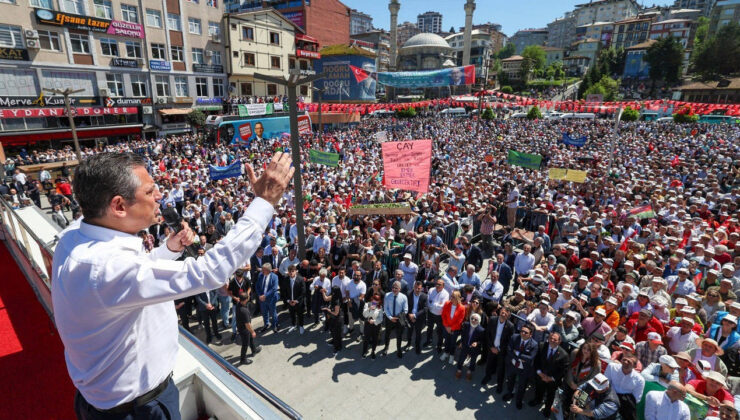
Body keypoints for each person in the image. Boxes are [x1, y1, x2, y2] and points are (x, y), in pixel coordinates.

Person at [52, 151, 292, 418]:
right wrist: (264, 202)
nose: (159, 196)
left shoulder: (75, 236)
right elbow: (209, 272)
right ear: (119, 206)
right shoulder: (107, 268)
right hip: (138, 410)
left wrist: (168, 250)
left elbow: (131, 280)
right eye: (150, 191)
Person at [529, 331, 569, 417]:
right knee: (539, 389)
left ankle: (547, 409)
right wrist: (539, 373)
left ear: (559, 341)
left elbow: (563, 371)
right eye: (550, 338)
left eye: (555, 339)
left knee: (550, 395)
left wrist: (551, 378)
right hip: (540, 375)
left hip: (552, 380)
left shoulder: (564, 355)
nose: (552, 340)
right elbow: (536, 361)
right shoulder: (542, 346)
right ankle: (537, 400)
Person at [503, 323, 539, 409]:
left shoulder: (534, 344)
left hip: (524, 369)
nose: (523, 333)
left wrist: (517, 353)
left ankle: (519, 400)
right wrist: (521, 357)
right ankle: (509, 394)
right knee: (510, 381)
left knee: (522, 386)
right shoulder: (514, 337)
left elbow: (530, 358)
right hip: (512, 365)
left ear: (531, 335)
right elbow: (509, 350)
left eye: (526, 332)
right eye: (522, 331)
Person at [481, 306, 515, 390]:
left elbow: (509, 341)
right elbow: (488, 334)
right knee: (489, 364)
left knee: (501, 368)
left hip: (501, 351)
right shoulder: (492, 320)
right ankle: (487, 376)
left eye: (505, 314)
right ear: (500, 312)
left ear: (508, 316)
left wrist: (499, 349)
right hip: (491, 348)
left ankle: (499, 384)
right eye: (502, 312)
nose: (503, 315)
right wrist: (491, 347)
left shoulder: (510, 326)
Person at [604, 355, 644, 420]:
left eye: (629, 362)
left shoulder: (639, 380)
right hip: (608, 397)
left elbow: (636, 399)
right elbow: (605, 383)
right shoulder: (612, 367)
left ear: (634, 366)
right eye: (624, 360)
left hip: (624, 404)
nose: (625, 362)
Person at [382, 281, 409, 358]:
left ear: (399, 289)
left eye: (396, 288)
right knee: (387, 334)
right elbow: (385, 308)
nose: (394, 289)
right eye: (393, 287)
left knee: (399, 335)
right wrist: (390, 317)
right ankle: (386, 347)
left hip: (399, 319)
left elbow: (406, 310)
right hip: (389, 319)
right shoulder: (387, 295)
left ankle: (399, 349)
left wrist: (398, 317)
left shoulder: (404, 297)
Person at [455, 313, 485, 380]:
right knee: (461, 358)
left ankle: (469, 372)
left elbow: (483, 341)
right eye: (472, 318)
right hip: (465, 345)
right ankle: (459, 370)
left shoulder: (481, 330)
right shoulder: (466, 325)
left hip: (474, 348)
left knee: (473, 361)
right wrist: (461, 342)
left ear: (479, 321)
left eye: (476, 319)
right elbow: (462, 335)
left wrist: (477, 343)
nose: (473, 320)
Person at [235, 290, 262, 365]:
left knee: (250, 339)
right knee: (245, 344)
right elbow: (247, 324)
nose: (249, 297)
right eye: (248, 297)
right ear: (245, 300)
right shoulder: (244, 311)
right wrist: (252, 331)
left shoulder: (239, 304)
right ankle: (243, 359)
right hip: (244, 330)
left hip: (241, 327)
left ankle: (254, 350)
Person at [440, 290, 466, 363]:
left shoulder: (462, 308)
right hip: (446, 327)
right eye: (451, 296)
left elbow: (459, 321)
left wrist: (451, 328)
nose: (451, 298)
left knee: (453, 342)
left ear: (457, 298)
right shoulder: (447, 303)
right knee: (446, 341)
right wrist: (447, 327)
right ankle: (446, 353)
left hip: (455, 329)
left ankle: (451, 355)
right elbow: (443, 315)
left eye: (453, 297)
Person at [427, 278, 450, 352]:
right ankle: (428, 340)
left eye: (439, 284)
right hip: (430, 313)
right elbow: (428, 301)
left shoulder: (446, 294)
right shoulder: (431, 290)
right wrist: (436, 304)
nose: (437, 285)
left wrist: (432, 303)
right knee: (429, 328)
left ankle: (439, 345)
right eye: (436, 284)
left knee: (439, 331)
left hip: (439, 315)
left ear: (443, 286)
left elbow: (442, 306)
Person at [405, 280, 428, 354]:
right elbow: (406, 306)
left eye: (419, 288)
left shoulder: (424, 296)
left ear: (421, 289)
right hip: (409, 317)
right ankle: (408, 344)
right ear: (413, 287)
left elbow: (425, 309)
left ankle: (417, 346)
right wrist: (409, 315)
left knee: (418, 333)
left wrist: (415, 315)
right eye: (416, 288)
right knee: (409, 332)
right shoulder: (408, 294)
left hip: (419, 318)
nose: (417, 290)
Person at [256, 262, 280, 333]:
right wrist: (260, 295)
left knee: (273, 312)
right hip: (262, 298)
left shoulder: (275, 277)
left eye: (264, 270)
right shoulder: (260, 275)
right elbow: (257, 286)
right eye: (262, 270)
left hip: (271, 298)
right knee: (264, 312)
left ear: (269, 270)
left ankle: (275, 324)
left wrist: (265, 295)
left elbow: (274, 288)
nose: (262, 271)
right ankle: (266, 324)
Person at [362, 293, 384, 359]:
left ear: (379, 301)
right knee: (366, 339)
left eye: (377, 300)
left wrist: (374, 321)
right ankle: (364, 351)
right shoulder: (367, 304)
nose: (375, 302)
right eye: (374, 300)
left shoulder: (380, 307)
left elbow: (381, 318)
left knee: (375, 339)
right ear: (372, 299)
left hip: (376, 325)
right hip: (368, 324)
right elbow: (364, 315)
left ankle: (373, 352)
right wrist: (369, 309)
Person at [285, 265, 305, 334]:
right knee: (292, 314)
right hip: (290, 302)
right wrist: (288, 301)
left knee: (300, 314)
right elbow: (284, 292)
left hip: (298, 302)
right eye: (290, 272)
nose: (291, 273)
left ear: (296, 271)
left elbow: (303, 292)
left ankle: (301, 326)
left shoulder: (301, 279)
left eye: (292, 271)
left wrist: (296, 301)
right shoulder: (286, 279)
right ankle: (293, 325)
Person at [324, 286, 343, 355]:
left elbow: (336, 313)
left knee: (337, 334)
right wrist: (323, 292)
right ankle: (334, 342)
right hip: (332, 319)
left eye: (333, 291)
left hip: (337, 320)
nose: (332, 293)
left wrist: (328, 310)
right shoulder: (333, 296)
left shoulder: (337, 301)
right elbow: (326, 298)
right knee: (332, 331)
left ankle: (338, 348)